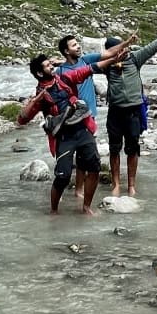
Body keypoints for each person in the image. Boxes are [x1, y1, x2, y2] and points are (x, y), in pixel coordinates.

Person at [18, 36, 135, 216]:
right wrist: (35, 101)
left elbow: (87, 70)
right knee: (63, 176)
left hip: (82, 130)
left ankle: (86, 207)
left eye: (52, 64)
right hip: (64, 137)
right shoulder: (40, 97)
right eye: (48, 66)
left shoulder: (64, 77)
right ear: (40, 74)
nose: (52, 67)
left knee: (94, 168)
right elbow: (22, 119)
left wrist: (113, 60)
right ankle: (54, 211)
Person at [101, 17, 157, 197]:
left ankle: (131, 185)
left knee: (132, 148)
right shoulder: (107, 66)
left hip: (133, 111)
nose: (121, 52)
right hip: (115, 110)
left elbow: (153, 46)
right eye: (115, 50)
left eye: (123, 48)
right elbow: (86, 65)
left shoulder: (135, 59)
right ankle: (115, 184)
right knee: (114, 149)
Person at [56, 33, 102, 200]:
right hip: (72, 119)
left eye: (77, 44)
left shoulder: (86, 60)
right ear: (66, 51)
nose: (78, 47)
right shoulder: (60, 71)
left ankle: (79, 189)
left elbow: (106, 56)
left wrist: (125, 44)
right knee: (69, 153)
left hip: (89, 116)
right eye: (74, 45)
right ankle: (64, 184)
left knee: (85, 154)